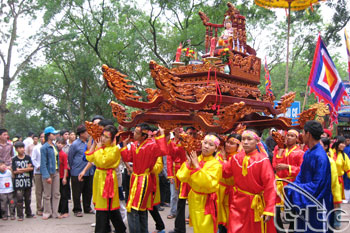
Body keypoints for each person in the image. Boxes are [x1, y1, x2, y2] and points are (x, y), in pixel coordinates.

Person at [285, 120, 333, 232]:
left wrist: (296, 190)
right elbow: (301, 175)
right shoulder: (308, 153)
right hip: (305, 202)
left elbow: (318, 184)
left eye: (303, 132)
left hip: (317, 202)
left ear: (308, 134)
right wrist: (294, 186)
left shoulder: (320, 156)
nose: (301, 135)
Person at [120, 123, 168, 233]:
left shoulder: (151, 145)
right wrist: (124, 146)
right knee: (140, 208)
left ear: (144, 136)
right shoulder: (135, 144)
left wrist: (161, 135)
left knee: (134, 208)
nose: (134, 134)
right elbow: (128, 157)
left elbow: (163, 151)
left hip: (144, 180)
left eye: (137, 133)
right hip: (135, 179)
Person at [177, 133, 222, 233]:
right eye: (205, 143)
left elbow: (208, 183)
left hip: (207, 201)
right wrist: (189, 165)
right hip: (194, 198)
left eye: (210, 145)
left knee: (206, 229)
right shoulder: (195, 158)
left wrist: (197, 167)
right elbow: (182, 177)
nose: (206, 146)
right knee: (197, 228)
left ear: (215, 149)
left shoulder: (216, 164)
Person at [85, 125, 126, 233]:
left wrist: (97, 148)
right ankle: (119, 229)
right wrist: (94, 145)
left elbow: (102, 161)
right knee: (109, 207)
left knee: (104, 206)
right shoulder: (102, 147)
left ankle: (102, 229)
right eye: (102, 135)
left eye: (106, 137)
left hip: (108, 179)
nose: (103, 138)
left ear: (113, 139)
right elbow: (89, 157)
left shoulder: (114, 150)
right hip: (99, 177)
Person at [272, 129, 304, 233]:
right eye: (287, 135)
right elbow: (275, 166)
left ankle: (291, 230)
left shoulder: (300, 153)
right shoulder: (279, 149)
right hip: (279, 183)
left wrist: (288, 167)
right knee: (275, 211)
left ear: (296, 139)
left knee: (292, 212)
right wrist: (279, 154)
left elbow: (301, 170)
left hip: (292, 185)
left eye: (292, 136)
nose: (289, 138)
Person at [216, 134, 241, 233]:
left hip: (232, 192)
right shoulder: (219, 154)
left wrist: (225, 160)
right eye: (228, 142)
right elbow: (216, 168)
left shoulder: (237, 157)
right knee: (219, 214)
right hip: (219, 189)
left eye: (232, 143)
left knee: (230, 216)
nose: (228, 145)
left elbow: (226, 172)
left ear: (238, 146)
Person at [168, 127, 191, 233]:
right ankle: (175, 217)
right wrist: (170, 175)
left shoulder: (188, 142)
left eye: (180, 130)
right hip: (176, 170)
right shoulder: (171, 143)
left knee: (189, 197)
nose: (179, 132)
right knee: (176, 196)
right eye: (176, 130)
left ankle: (190, 217)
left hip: (188, 169)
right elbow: (169, 158)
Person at [68, 125, 93, 217]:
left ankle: (87, 207)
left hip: (89, 171)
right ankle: (77, 209)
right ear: (81, 134)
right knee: (77, 192)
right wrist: (74, 168)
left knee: (88, 191)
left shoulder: (89, 143)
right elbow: (70, 158)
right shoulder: (75, 144)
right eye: (86, 132)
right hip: (77, 171)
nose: (88, 134)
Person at [40, 126, 61, 220]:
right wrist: (46, 176)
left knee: (56, 193)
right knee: (47, 194)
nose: (55, 135)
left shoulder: (54, 146)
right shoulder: (44, 147)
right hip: (48, 172)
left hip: (56, 171)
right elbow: (43, 163)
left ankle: (55, 212)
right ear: (48, 135)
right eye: (53, 134)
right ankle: (47, 212)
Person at [329, 136, 350, 229]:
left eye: (344, 143)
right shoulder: (329, 152)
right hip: (328, 181)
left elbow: (348, 169)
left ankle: (336, 223)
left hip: (338, 182)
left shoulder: (344, 156)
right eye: (342, 143)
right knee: (327, 202)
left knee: (337, 203)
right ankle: (327, 222)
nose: (343, 145)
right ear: (337, 142)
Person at [12, 141, 34, 221]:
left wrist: (20, 169)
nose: (22, 149)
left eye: (23, 148)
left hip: (27, 181)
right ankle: (20, 215)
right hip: (18, 183)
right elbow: (14, 171)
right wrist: (26, 169)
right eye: (20, 148)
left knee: (28, 199)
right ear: (17, 149)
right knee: (19, 200)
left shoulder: (28, 158)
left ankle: (28, 213)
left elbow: (31, 168)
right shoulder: (14, 159)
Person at [56, 138, 69, 218]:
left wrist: (64, 178)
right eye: (58, 143)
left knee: (64, 194)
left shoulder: (63, 154)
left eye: (62, 143)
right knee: (57, 194)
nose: (60, 144)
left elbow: (65, 167)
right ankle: (59, 210)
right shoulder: (55, 154)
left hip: (62, 177)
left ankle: (65, 211)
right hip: (56, 177)